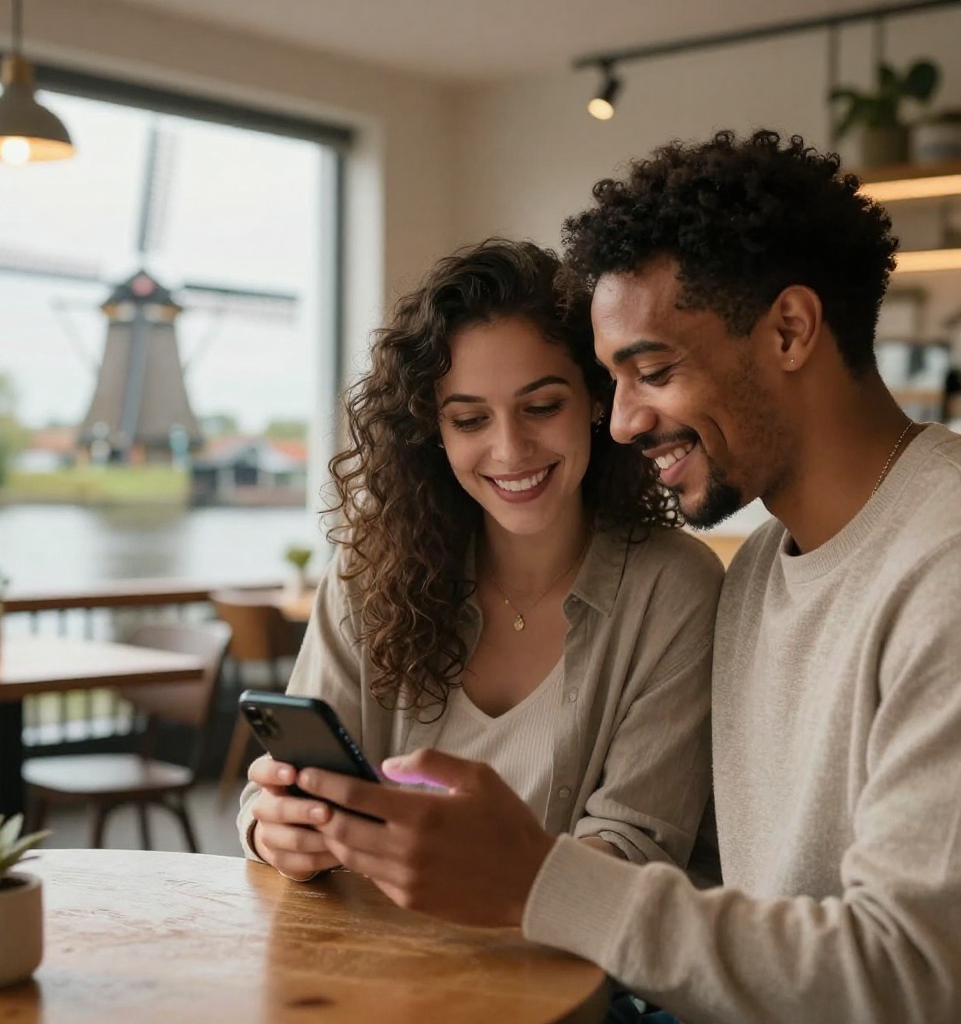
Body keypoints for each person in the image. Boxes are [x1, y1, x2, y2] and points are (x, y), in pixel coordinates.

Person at [287, 132, 961, 1024]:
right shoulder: (759, 569)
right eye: (613, 381)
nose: (624, 422)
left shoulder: (942, 562)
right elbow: (739, 903)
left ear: (791, 330)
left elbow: (915, 977)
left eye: (652, 371)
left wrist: (535, 876)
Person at [238, 239, 723, 887]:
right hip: (374, 970)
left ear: (597, 398)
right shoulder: (368, 574)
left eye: (542, 406)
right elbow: (280, 794)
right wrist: (271, 830)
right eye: (469, 419)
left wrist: (491, 878)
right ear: (433, 431)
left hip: (564, 982)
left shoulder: (676, 588)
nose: (510, 448)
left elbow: (635, 849)